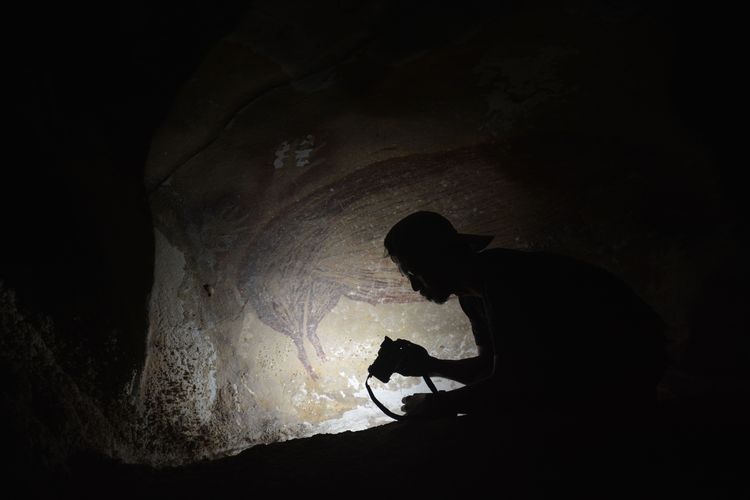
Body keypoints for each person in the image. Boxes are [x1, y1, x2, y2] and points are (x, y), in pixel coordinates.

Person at [383, 211, 667, 419]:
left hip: (625, 374)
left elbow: (514, 384)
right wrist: (430, 365)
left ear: (439, 258)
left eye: (413, 271)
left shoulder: (507, 280)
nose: (414, 285)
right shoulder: (473, 298)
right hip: (597, 377)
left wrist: (436, 404)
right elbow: (493, 370)